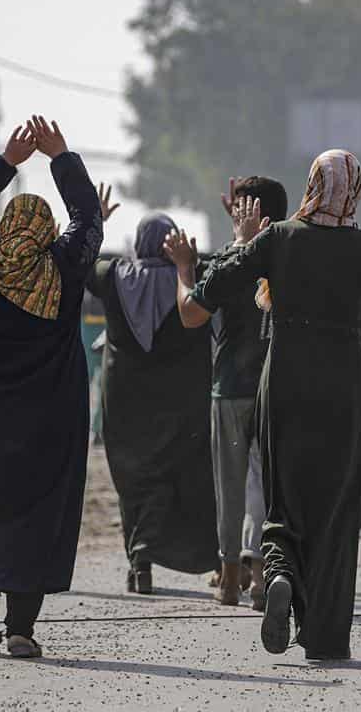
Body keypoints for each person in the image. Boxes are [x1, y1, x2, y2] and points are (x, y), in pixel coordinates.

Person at [192, 149, 361, 661]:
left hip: (283, 378)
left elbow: (212, 287)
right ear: (355, 191)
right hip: (343, 385)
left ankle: (279, 572)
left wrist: (243, 243)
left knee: (285, 498)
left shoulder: (278, 237)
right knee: (337, 504)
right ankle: (324, 636)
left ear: (310, 184)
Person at [0, 117, 103, 659]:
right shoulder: (66, 267)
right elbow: (88, 219)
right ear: (47, 232)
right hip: (47, 424)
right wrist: (62, 158)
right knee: (37, 512)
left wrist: (7, 162)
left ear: (7, 226)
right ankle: (21, 630)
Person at [171, 176, 288, 609]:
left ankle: (227, 579)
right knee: (263, 484)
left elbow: (193, 310)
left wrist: (184, 268)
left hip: (230, 390)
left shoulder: (227, 261)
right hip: (272, 388)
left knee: (230, 487)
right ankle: (260, 576)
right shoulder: (287, 255)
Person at [89, 208, 218, 596]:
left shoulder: (112, 277)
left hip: (126, 405)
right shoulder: (192, 280)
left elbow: (79, 261)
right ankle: (212, 559)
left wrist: (94, 221)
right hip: (184, 406)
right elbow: (234, 261)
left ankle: (140, 561)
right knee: (181, 478)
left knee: (136, 482)